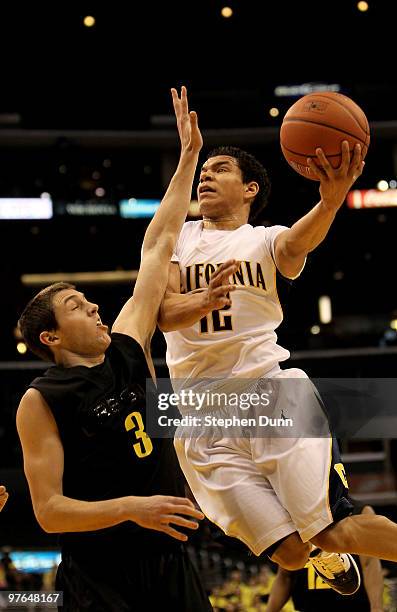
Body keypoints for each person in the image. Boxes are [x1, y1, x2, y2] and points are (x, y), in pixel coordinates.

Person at [158, 134, 397, 593]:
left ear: (250, 189)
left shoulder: (264, 240)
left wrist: (329, 203)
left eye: (220, 168)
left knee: (333, 525)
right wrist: (202, 301)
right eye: (203, 170)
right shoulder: (176, 236)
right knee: (290, 552)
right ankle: (322, 556)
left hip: (271, 393)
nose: (206, 174)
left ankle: (327, 542)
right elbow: (164, 313)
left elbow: (295, 244)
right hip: (201, 420)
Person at [16, 87, 212, 611]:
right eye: (77, 306)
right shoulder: (41, 399)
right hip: (99, 574)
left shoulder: (127, 347)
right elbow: (50, 511)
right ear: (50, 337)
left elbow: (156, 246)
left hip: (170, 562)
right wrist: (129, 507)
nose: (95, 308)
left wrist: (188, 159)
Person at [266, 503, 385, 612]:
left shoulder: (360, 511)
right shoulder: (295, 518)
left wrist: (376, 607)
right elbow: (285, 576)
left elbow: (369, 564)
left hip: (351, 606)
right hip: (308, 606)